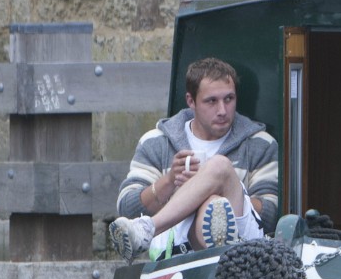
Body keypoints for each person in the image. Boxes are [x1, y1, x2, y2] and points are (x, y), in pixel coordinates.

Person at [110, 57, 281, 261]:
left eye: (229, 99)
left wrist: (210, 186)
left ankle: (148, 229)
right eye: (211, 101)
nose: (222, 111)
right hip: (175, 246)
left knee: (219, 171)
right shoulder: (156, 142)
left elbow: (270, 213)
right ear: (191, 101)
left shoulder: (260, 143)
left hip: (244, 243)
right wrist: (170, 181)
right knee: (214, 204)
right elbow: (127, 207)